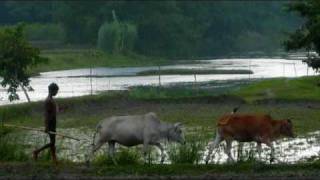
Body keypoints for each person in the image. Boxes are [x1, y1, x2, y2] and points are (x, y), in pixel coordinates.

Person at [33, 83, 59, 165]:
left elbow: (53, 112)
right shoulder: (48, 101)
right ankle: (37, 151)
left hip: (53, 122)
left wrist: (61, 109)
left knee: (52, 142)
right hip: (50, 123)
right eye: (56, 91)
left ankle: (54, 159)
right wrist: (46, 126)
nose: (57, 92)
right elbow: (47, 115)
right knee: (52, 142)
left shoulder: (51, 99)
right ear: (52, 90)